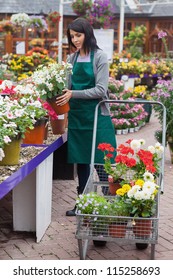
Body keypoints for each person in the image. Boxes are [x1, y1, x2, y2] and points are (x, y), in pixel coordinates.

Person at [56, 17, 116, 216]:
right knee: (81, 162)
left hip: (98, 116)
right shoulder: (71, 59)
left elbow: (101, 89)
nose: (75, 40)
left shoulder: (100, 57)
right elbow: (67, 88)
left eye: (78, 35)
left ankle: (109, 205)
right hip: (78, 118)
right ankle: (82, 204)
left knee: (101, 162)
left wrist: (74, 94)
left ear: (87, 34)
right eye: (72, 36)